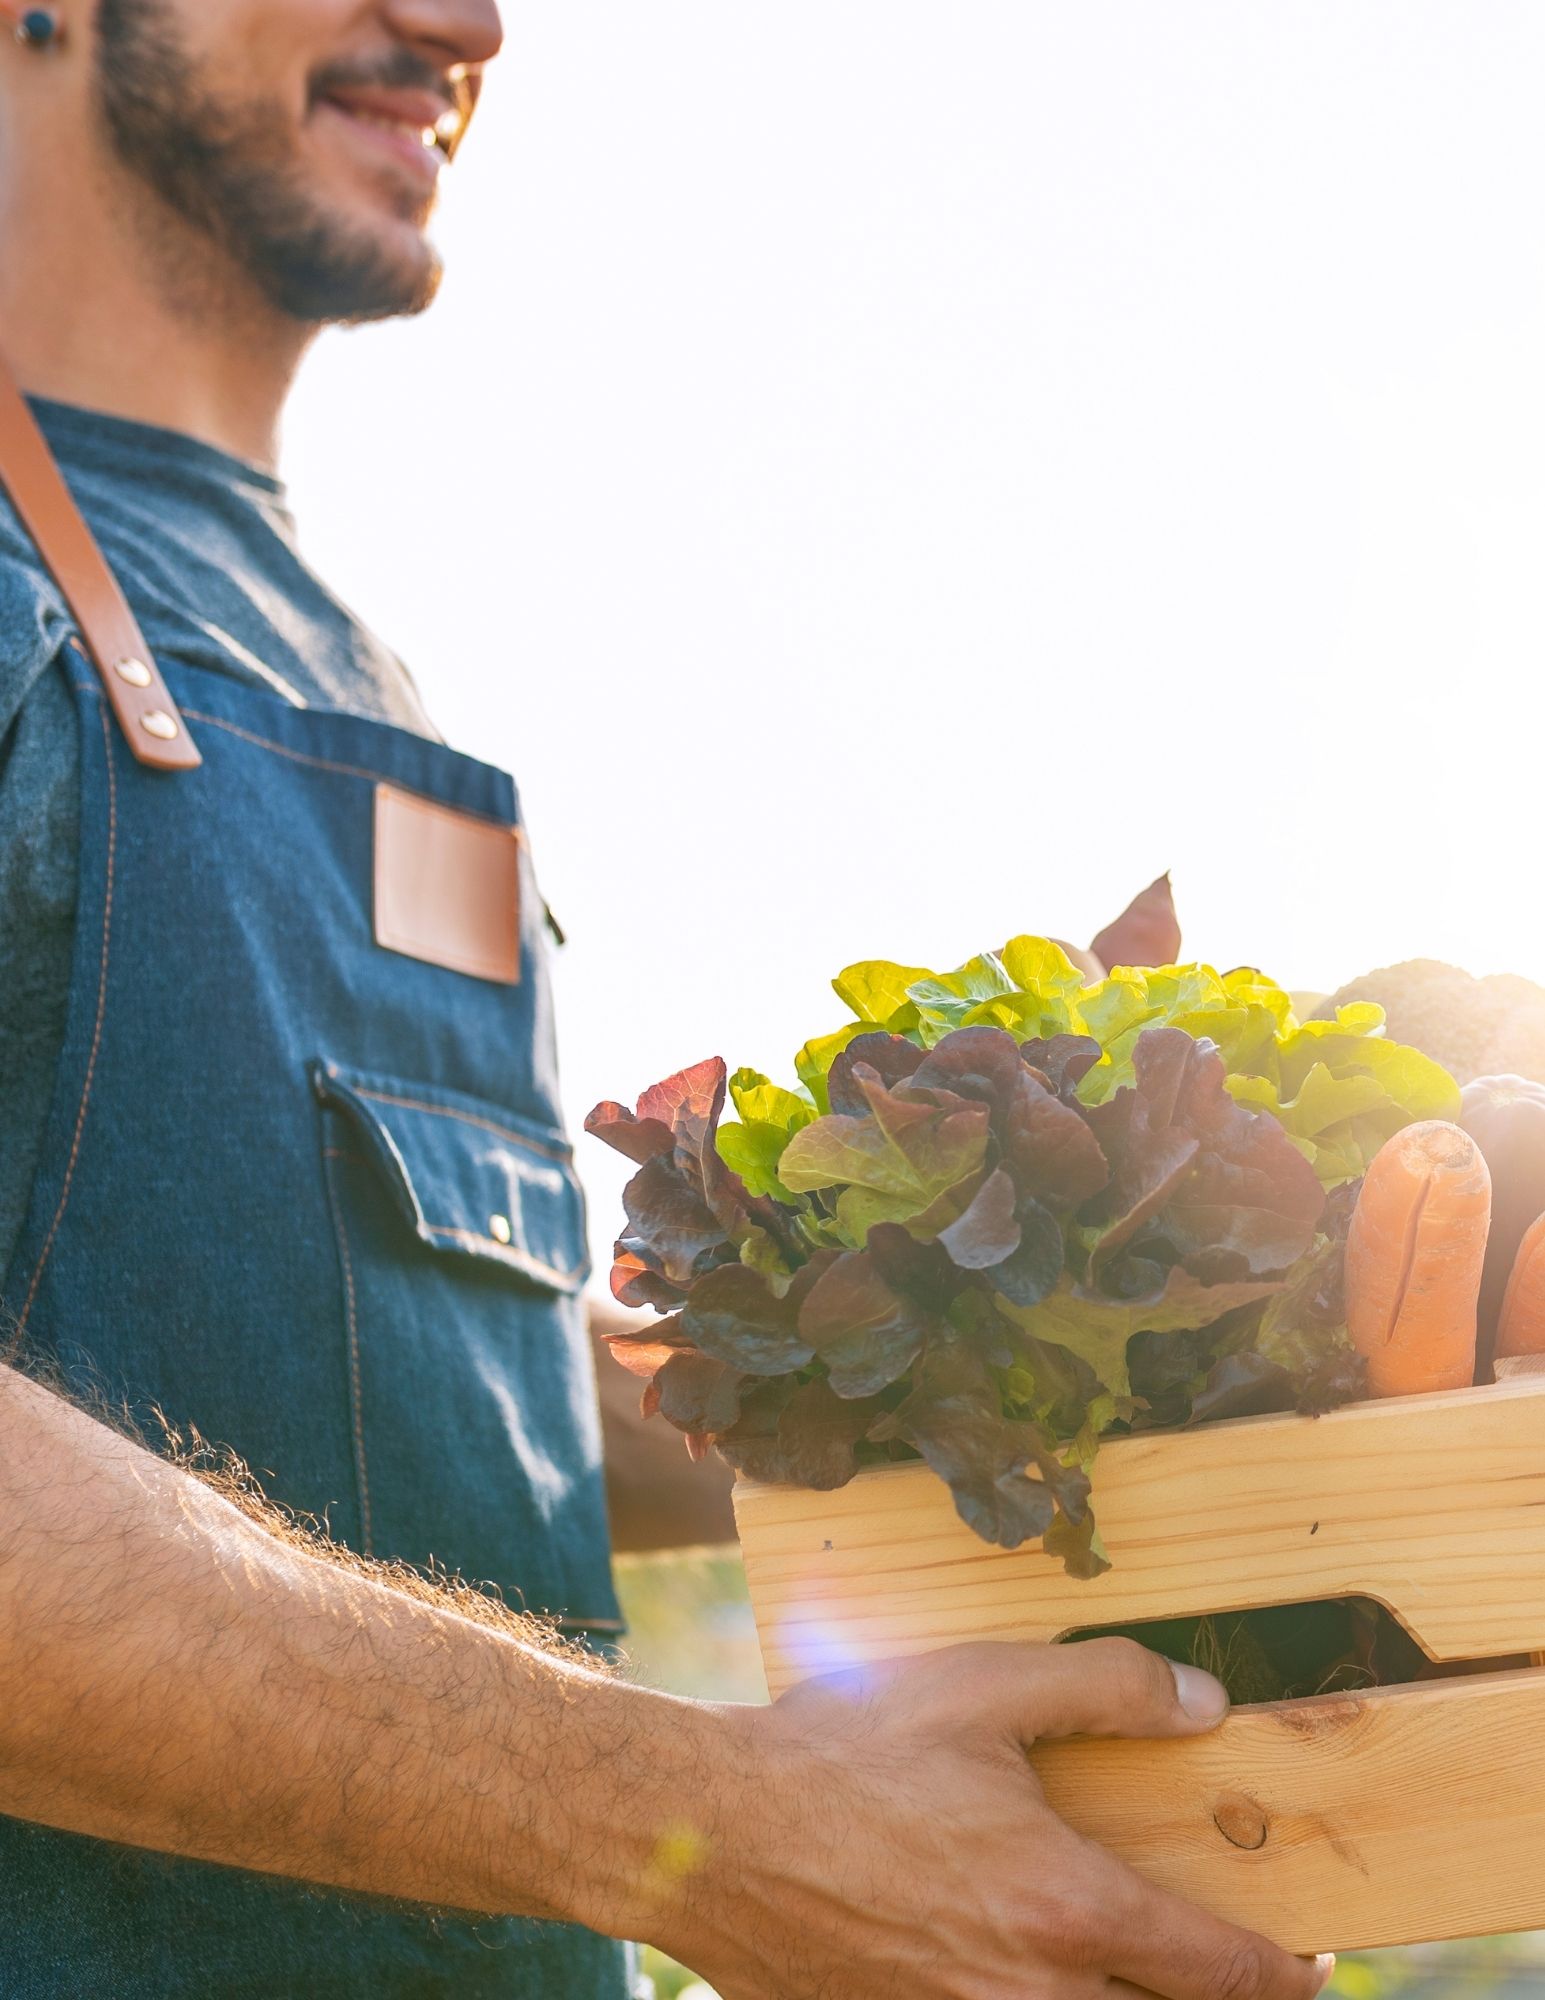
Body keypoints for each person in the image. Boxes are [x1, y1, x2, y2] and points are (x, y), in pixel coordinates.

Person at [0, 3, 1338, 1996]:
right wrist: (713, 1830)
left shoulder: (340, 660)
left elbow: (437, 1407)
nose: (468, 25)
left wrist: (1067, 1377)